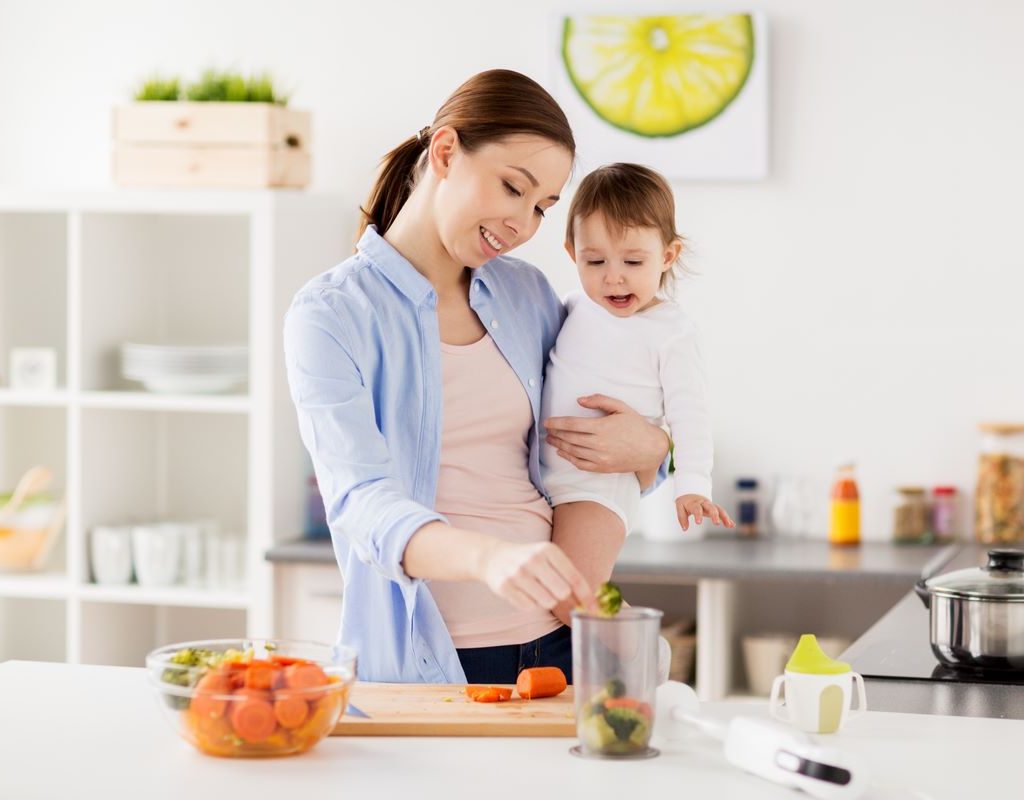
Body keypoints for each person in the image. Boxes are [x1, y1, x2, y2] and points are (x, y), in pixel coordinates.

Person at [283, 71, 671, 685]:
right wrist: (488, 558)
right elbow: (361, 502)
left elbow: (599, 435)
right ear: (444, 152)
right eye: (513, 188)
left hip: (560, 645)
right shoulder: (332, 314)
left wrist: (656, 446)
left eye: (542, 206)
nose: (523, 223)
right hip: (433, 661)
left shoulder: (528, 295)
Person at [541, 163, 735, 624]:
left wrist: (693, 484)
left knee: (574, 598)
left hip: (598, 486)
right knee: (548, 592)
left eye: (632, 262)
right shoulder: (571, 306)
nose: (613, 278)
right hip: (542, 478)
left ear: (668, 256)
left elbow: (691, 412)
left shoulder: (671, 332)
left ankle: (646, 660)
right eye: (595, 261)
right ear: (571, 253)